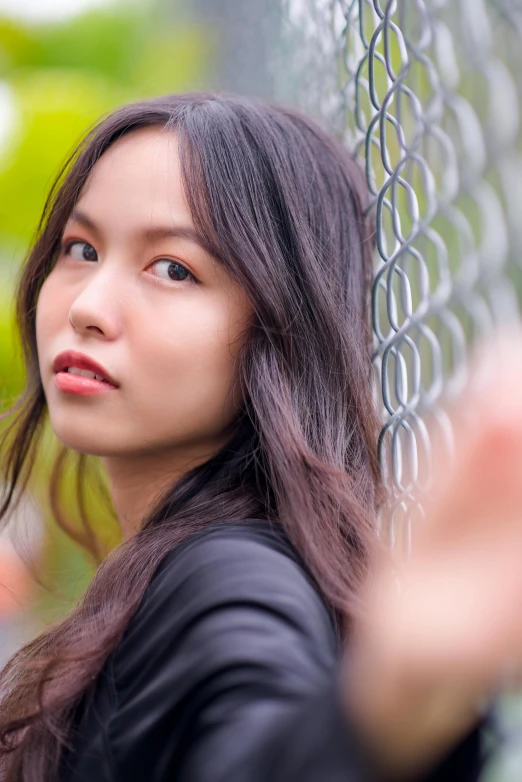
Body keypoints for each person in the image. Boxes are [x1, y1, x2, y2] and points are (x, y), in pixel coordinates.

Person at [0, 90, 518, 782]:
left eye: (173, 269)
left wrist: (394, 700)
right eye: (81, 248)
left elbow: (251, 744)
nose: (89, 307)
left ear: (282, 326)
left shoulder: (230, 577)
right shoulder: (166, 561)